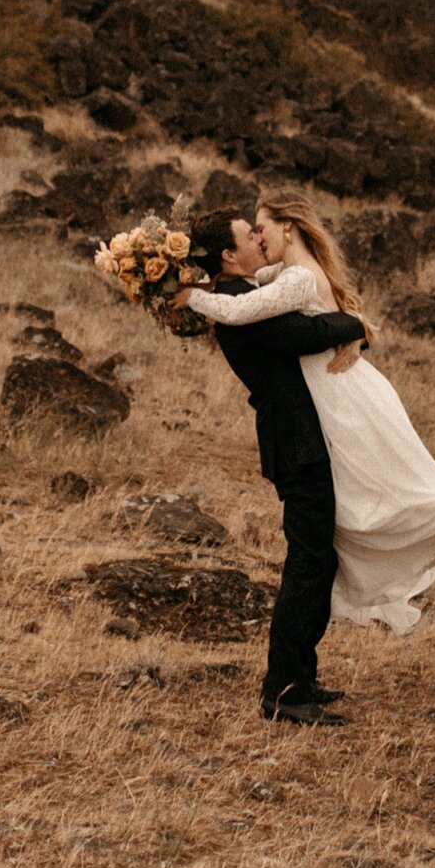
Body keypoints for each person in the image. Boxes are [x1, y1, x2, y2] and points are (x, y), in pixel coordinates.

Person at [181, 191, 435, 637]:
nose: (259, 240)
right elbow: (244, 296)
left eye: (261, 228)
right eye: (252, 233)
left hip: (337, 392)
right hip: (330, 393)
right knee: (360, 496)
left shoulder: (294, 277)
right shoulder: (283, 272)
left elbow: (243, 307)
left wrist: (189, 296)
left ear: (288, 226)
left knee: (375, 488)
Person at [173, 211, 373, 728]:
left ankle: (299, 676)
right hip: (295, 443)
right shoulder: (239, 303)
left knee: (317, 560)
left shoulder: (244, 293)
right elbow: (303, 335)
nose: (259, 241)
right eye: (248, 236)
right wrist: (357, 324)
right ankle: (283, 692)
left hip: (298, 439)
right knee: (308, 562)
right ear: (227, 255)